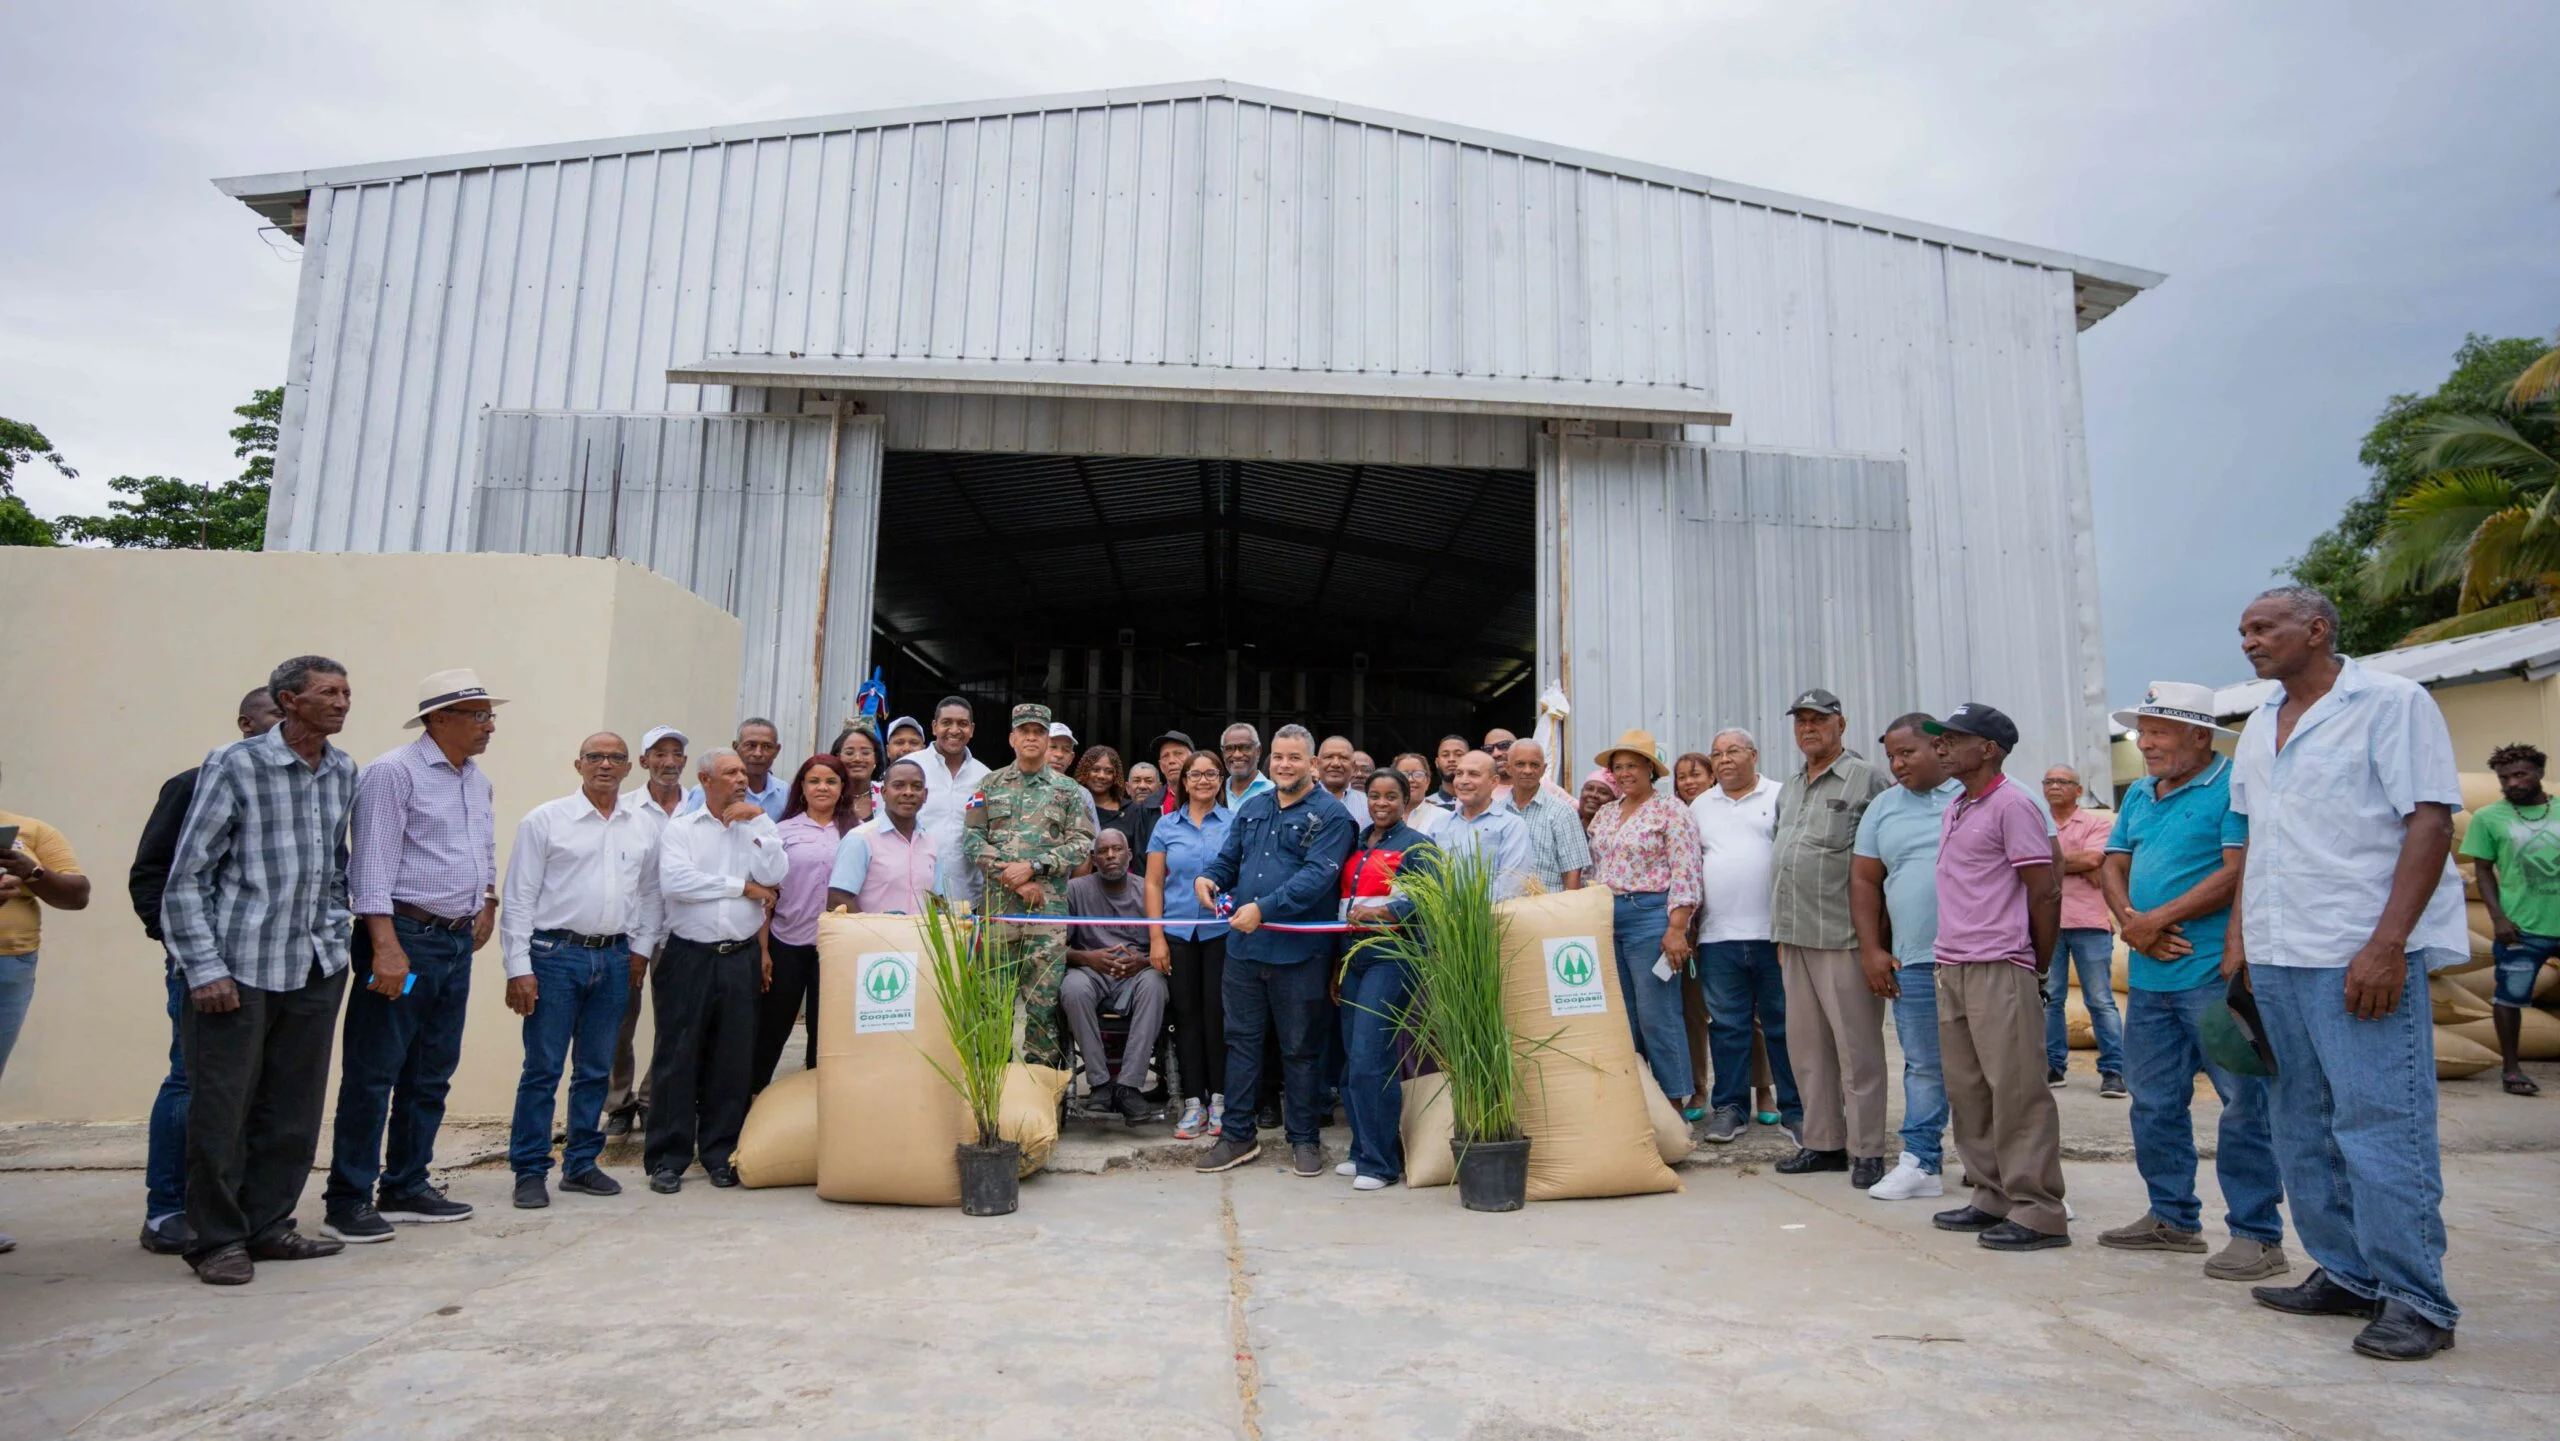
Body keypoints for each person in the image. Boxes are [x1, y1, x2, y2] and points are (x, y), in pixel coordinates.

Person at [2229, 586, 2465, 1361]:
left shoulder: (2391, 702)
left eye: (2264, 627)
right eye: (2244, 631)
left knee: (2379, 1124)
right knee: (2300, 1123)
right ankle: (2346, 1271)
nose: (2250, 642)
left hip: (2356, 951)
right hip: (2279, 951)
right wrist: (2242, 948)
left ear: (2318, 628)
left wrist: (2389, 944)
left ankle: (2416, 1298)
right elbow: (2256, 842)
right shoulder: (2262, 722)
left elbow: (2428, 820)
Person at [160, 655, 359, 1285]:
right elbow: (187, 875)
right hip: (237, 967)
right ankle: (216, 1240)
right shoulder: (235, 763)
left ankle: (270, 1225)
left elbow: (334, 869)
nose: (342, 702)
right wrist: (203, 968)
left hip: (313, 965)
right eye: (327, 692)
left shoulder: (341, 771)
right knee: (223, 1109)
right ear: (289, 700)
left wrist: (335, 932)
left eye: (347, 692)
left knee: (293, 1109)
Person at [2097, 681, 2287, 1281]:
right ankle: (2172, 1218)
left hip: (2213, 978)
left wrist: (2158, 919)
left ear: (2199, 736)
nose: (2145, 745)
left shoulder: (2229, 787)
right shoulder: (2140, 795)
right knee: (2153, 1103)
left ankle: (2258, 1236)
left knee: (2243, 1106)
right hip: (2152, 981)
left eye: (2157, 733)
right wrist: (2133, 922)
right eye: (2142, 733)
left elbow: (2238, 872)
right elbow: (2112, 863)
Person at [324, 668, 503, 1244]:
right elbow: (369, 865)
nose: (489, 726)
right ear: (439, 719)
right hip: (405, 937)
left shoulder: (476, 780)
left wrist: (486, 902)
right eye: (478, 715)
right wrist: (385, 946)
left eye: (489, 715)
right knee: (375, 1073)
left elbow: (483, 847)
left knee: (431, 1072)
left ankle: (406, 1182)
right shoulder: (391, 774)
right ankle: (347, 1197)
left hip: (453, 942)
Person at [126, 685, 281, 1256]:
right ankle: (167, 1208)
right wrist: (185, 952)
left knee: (259, 1087)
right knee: (190, 1081)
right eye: (274, 715)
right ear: (245, 723)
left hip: (278, 969)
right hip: (207, 965)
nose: (284, 725)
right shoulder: (197, 782)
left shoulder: (309, 784)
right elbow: (154, 876)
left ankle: (238, 1206)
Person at [1924, 703, 2069, 1253]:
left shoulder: (2014, 805)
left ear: (1989, 748)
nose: (1941, 746)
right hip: (1954, 963)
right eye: (1940, 738)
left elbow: (2045, 889)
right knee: (1969, 1089)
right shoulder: (1959, 805)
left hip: (1999, 964)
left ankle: (2038, 1209)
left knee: (2017, 1089)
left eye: (1953, 739)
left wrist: (2036, 961)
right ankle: (1991, 1193)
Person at [498, 733, 665, 1211]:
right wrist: (518, 967)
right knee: (543, 1068)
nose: (605, 765)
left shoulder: (642, 826)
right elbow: (519, 898)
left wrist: (640, 950)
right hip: (555, 957)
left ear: (629, 767)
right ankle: (530, 1169)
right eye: (595, 757)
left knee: (595, 1068)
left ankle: (581, 1164)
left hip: (614, 959)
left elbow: (652, 894)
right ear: (579, 765)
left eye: (615, 758)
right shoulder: (546, 821)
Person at [1193, 725, 1357, 1177]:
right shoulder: (1255, 807)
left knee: (1300, 1050)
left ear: (1313, 764)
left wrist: (1262, 909)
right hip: (1245, 951)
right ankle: (1238, 1135)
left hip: (1299, 955)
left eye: (1294, 758)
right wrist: (1208, 877)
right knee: (1241, 1045)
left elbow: (1314, 881)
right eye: (1279, 757)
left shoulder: (1331, 817)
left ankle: (1304, 1139)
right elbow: (1230, 858)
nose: (1285, 765)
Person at [648, 748, 788, 1194]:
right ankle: (667, 1158)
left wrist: (762, 826)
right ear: (705, 779)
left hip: (739, 957)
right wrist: (741, 887)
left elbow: (777, 872)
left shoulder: (757, 826)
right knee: (678, 1057)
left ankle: (719, 1152)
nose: (741, 779)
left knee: (732, 1058)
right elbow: (678, 884)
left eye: (744, 773)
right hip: (689, 956)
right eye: (731, 773)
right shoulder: (682, 830)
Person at [1769, 688, 1893, 1186]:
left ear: (1841, 724)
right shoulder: (1791, 786)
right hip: (1795, 935)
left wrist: (1877, 945)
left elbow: (1885, 863)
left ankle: (1867, 1151)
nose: (1807, 729)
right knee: (1808, 1049)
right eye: (1800, 721)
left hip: (1843, 937)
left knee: (1857, 1050)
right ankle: (1824, 1144)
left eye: (1817, 720)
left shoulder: (1867, 779)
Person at [1848, 715, 1961, 1201]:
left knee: (1996, 1066)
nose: (1896, 765)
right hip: (1913, 959)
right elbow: (1864, 881)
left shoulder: (1978, 796)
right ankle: (1922, 1162)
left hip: (1983, 958)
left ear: (1940, 748)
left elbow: (2045, 873)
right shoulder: (1883, 807)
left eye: (1906, 754)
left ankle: (2007, 1168)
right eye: (1890, 756)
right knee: (1923, 1065)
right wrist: (1873, 949)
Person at [962, 704, 1098, 1071]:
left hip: (1047, 919)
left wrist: (1035, 867)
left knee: (1043, 1008)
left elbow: (1081, 842)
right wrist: (1015, 878)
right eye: (1025, 731)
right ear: (1012, 738)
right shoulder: (988, 786)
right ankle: (994, 1091)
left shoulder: (1068, 791)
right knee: (993, 1005)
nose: (1032, 738)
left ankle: (1038, 1097)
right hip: (999, 915)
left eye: (1039, 732)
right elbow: (973, 841)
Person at [1690, 727, 1799, 1146]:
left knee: (1783, 1025)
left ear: (1754, 754)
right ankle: (1730, 1109)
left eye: (1733, 751)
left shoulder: (1780, 795)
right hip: (1718, 937)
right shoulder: (1701, 805)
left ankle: (1795, 1109)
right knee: (1728, 1027)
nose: (1723, 760)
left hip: (1775, 935)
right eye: (1716, 754)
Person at [1587, 730, 1702, 1108]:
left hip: (1651, 917)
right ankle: (1637, 1103)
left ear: (1650, 769)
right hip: (1608, 917)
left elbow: (1685, 871)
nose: (1623, 773)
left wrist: (1676, 929)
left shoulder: (1671, 810)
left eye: (1632, 766)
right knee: (1623, 1018)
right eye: (1617, 767)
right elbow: (1597, 866)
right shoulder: (1605, 813)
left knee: (1657, 1013)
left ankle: (1674, 1102)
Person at [1338, 767, 1435, 1190]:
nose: (1381, 804)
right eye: (1374, 796)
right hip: (1352, 959)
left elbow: (1428, 897)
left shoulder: (1418, 846)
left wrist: (1383, 913)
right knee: (1350, 1060)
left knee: (1371, 1058)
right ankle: (1362, 1150)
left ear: (1405, 799)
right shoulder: (1357, 843)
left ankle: (1381, 1164)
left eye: (1390, 797)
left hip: (1391, 958)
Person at [2460, 741, 2558, 1096]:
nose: (2512, 782)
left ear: (2539, 773)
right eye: (2504, 777)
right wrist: (2497, 917)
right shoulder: (2488, 817)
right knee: (2510, 998)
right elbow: (2482, 870)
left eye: (2520, 774)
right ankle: (2512, 1069)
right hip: (2522, 927)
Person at [605, 724, 687, 1137]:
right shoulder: (623, 807)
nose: (668, 762)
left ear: (686, 762)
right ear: (643, 762)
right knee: (620, 1018)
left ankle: (654, 1097)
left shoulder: (700, 807)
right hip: (630, 930)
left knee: (673, 1019)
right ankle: (618, 1102)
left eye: (675, 754)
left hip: (683, 930)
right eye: (659, 753)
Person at [1148, 751, 1233, 1139]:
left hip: (1221, 934)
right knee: (1185, 1018)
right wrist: (1156, 937)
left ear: (1221, 780)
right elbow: (1153, 883)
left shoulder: (1235, 823)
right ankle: (1193, 1104)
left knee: (1218, 1016)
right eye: (1194, 774)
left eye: (1211, 774)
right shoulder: (1166, 825)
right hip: (1178, 935)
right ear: (1182, 781)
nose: (1203, 780)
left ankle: (1220, 1101)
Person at [757, 755, 852, 1092]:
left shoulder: (857, 833)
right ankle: (751, 1101)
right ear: (802, 787)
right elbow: (766, 895)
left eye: (831, 781)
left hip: (837, 948)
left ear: (843, 788)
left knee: (825, 1031)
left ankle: (817, 1102)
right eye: (814, 781)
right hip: (788, 943)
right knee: (773, 1026)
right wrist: (764, 949)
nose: (822, 787)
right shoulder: (782, 831)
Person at [1061, 829, 1167, 1125]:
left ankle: (1129, 1086)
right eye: (1103, 851)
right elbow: (1058, 948)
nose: (1110, 856)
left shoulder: (1147, 889)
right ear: (1093, 859)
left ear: (1129, 855)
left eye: (1117, 849)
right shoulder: (1075, 890)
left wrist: (1143, 961)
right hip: (1091, 971)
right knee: (1072, 987)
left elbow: (1165, 946)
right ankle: (1101, 1085)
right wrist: (1088, 958)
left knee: (1156, 984)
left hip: (1136, 974)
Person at [2043, 765, 2126, 1096]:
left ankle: (2113, 1071)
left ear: (2078, 790)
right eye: (2048, 781)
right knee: (2051, 999)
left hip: (2090, 923)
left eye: (2063, 782)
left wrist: (2051, 863)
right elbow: (2025, 861)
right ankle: (2053, 1066)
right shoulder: (2036, 822)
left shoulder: (2095, 823)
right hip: (2047, 924)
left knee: (2100, 1000)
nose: (2054, 786)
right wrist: (2072, 865)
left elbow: (2094, 859)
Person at [828, 758, 942, 914]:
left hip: (920, 938)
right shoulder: (861, 839)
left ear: (925, 794)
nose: (908, 792)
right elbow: (837, 899)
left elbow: (938, 900)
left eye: (916, 786)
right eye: (898, 785)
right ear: (883, 793)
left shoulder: (931, 842)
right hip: (873, 937)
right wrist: (878, 928)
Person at [914, 697, 993, 901]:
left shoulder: (985, 777)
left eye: (963, 724)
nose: (955, 730)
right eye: (947, 722)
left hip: (965, 897)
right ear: (934, 726)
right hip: (913, 894)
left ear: (972, 730)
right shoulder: (911, 768)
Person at [1434, 751, 1534, 900]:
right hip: (1443, 920)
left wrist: (1467, 912)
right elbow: (1427, 877)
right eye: (1459, 774)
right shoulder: (1439, 826)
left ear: (1493, 782)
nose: (1463, 781)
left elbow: (1512, 884)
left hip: (1492, 919)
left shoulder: (1511, 825)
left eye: (1473, 774)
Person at [1496, 738, 1589, 893]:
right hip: (1504, 910)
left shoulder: (1562, 812)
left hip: (1549, 910)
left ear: (1543, 769)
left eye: (1534, 765)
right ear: (1508, 768)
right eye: (1520, 764)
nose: (1527, 770)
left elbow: (1573, 874)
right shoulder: (1498, 812)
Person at [680, 719, 787, 819]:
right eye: (751, 745)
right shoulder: (707, 790)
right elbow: (689, 830)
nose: (758, 753)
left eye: (767, 746)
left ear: (777, 751)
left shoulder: (785, 792)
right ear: (736, 747)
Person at [1079, 744, 1156, 854]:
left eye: (1108, 771)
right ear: (1085, 771)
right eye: (1095, 769)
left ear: (1115, 776)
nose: (1101, 776)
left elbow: (1140, 854)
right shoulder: (1073, 806)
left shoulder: (1133, 810)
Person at [1315, 735, 1373, 830]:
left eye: (1343, 758)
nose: (1336, 764)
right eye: (1329, 757)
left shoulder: (1369, 804)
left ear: (1353, 766)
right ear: (1316, 763)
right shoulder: (1302, 801)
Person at [828, 726, 883, 826]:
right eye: (849, 753)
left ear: (876, 759)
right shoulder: (826, 793)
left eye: (865, 753)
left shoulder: (886, 796)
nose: (857, 759)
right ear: (837, 758)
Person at [1219, 723, 1276, 812]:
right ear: (1223, 754)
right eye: (1229, 748)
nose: (1237, 755)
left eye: (1245, 747)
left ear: (1258, 751)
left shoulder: (1274, 793)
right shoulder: (1216, 792)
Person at [1395, 752, 1450, 838]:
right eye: (1403, 775)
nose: (1410, 779)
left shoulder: (1444, 817)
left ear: (1427, 782)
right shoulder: (1384, 816)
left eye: (1418, 774)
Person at [1150, 730, 1196, 815]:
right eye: (1165, 756)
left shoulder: (1212, 798)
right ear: (1161, 766)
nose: (1171, 761)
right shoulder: (1149, 805)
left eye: (1178, 754)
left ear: (1193, 759)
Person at [1430, 734, 1468, 808]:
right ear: (1437, 763)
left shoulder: (1484, 803)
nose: (1451, 759)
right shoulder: (1426, 807)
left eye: (1458, 754)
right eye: (1445, 755)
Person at [1577, 769, 1616, 834]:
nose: (1593, 795)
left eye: (1603, 792)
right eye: (1589, 789)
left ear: (1614, 801)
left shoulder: (1615, 834)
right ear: (1581, 792)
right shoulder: (1565, 823)